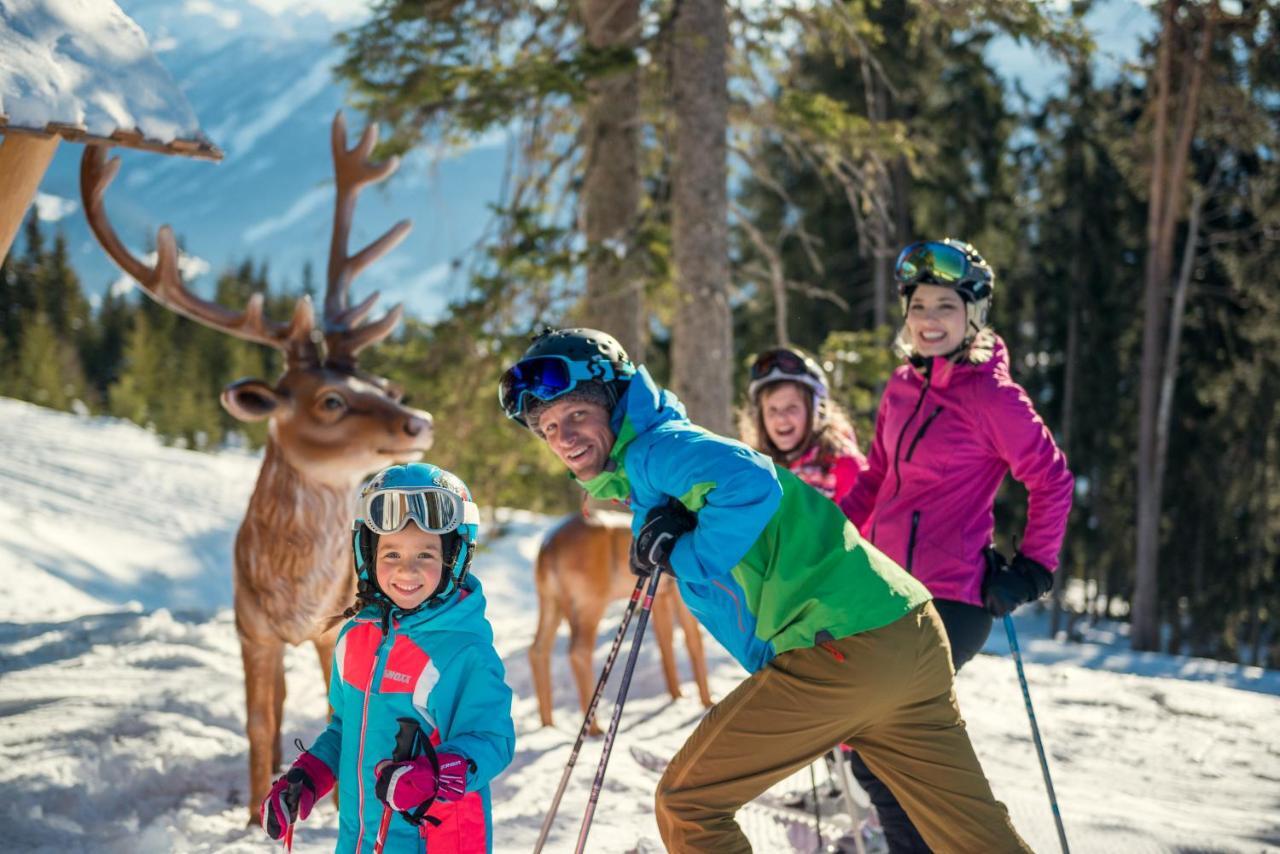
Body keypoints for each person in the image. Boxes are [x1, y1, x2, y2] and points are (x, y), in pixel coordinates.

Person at [499, 327, 1032, 853]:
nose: (563, 437)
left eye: (576, 415)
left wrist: (682, 554)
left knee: (689, 802)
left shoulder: (656, 451)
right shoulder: (659, 463)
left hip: (843, 646)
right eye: (547, 427)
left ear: (613, 405)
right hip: (908, 633)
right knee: (976, 837)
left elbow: (753, 481)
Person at [839, 238, 1074, 853]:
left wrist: (1032, 570)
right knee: (889, 754)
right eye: (918, 306)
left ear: (974, 314)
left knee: (882, 751)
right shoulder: (899, 388)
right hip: (882, 590)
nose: (929, 320)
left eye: (945, 305)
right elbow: (875, 479)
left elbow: (1051, 478)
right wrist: (827, 536)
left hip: (948, 600)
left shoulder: (991, 397)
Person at [259, 463, 515, 853]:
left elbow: (492, 741)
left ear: (453, 557)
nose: (406, 570)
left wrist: (433, 773)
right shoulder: (356, 639)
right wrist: (307, 778)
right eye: (391, 553)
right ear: (368, 553)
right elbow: (346, 730)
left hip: (438, 841)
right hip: (360, 840)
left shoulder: (464, 653)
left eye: (425, 555)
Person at [739, 345, 866, 503]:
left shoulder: (843, 466)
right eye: (772, 410)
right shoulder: (755, 470)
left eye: (791, 408)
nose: (781, 418)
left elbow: (861, 524)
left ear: (816, 411)